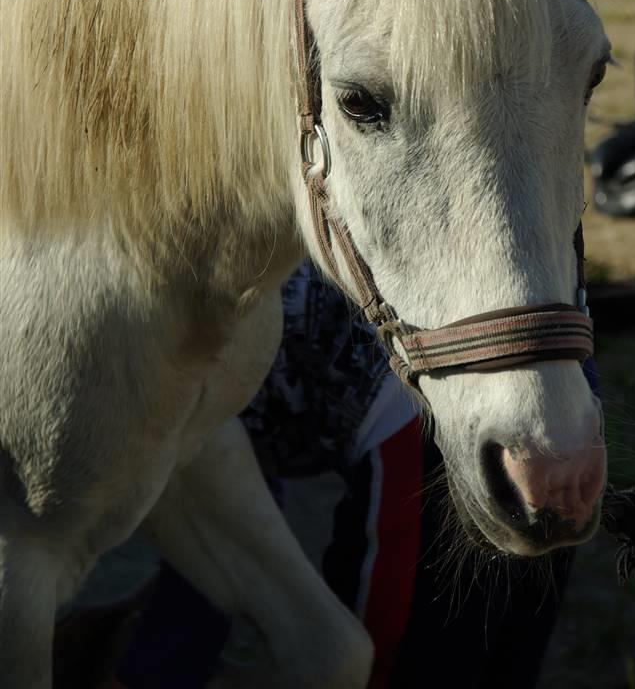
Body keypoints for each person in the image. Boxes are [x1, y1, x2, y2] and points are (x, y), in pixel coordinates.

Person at [63, 261, 586, 689]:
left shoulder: (161, 372)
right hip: (539, 372)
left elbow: (228, 531)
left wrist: (152, 671)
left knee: (393, 649)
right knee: (501, 627)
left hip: (422, 410)